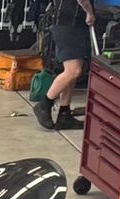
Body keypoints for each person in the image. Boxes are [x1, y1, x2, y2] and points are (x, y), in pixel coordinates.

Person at [36, 0, 94, 131]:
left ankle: (64, 114)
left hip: (66, 22)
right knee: (74, 71)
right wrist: (90, 12)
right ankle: (44, 104)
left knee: (71, 71)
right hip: (69, 24)